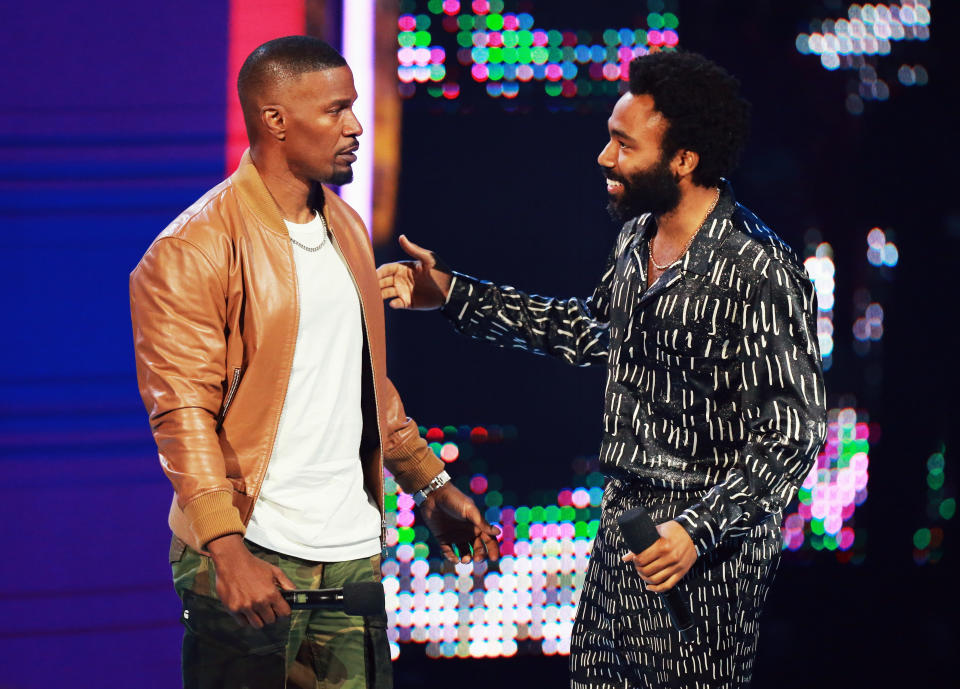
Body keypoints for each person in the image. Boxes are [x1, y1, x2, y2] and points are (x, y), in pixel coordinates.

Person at [377, 51, 827, 688]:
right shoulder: (637, 239)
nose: (605, 157)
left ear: (684, 160)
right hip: (623, 528)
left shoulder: (760, 269)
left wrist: (696, 532)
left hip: (702, 555)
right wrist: (451, 293)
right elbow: (586, 332)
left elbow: (794, 435)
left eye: (624, 144)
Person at [129, 36, 499, 689]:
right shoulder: (193, 248)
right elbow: (182, 412)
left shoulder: (347, 227)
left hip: (351, 551)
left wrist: (432, 485)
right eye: (335, 111)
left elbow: (362, 383)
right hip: (253, 552)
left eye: (353, 108)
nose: (356, 126)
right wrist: (224, 546)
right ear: (275, 120)